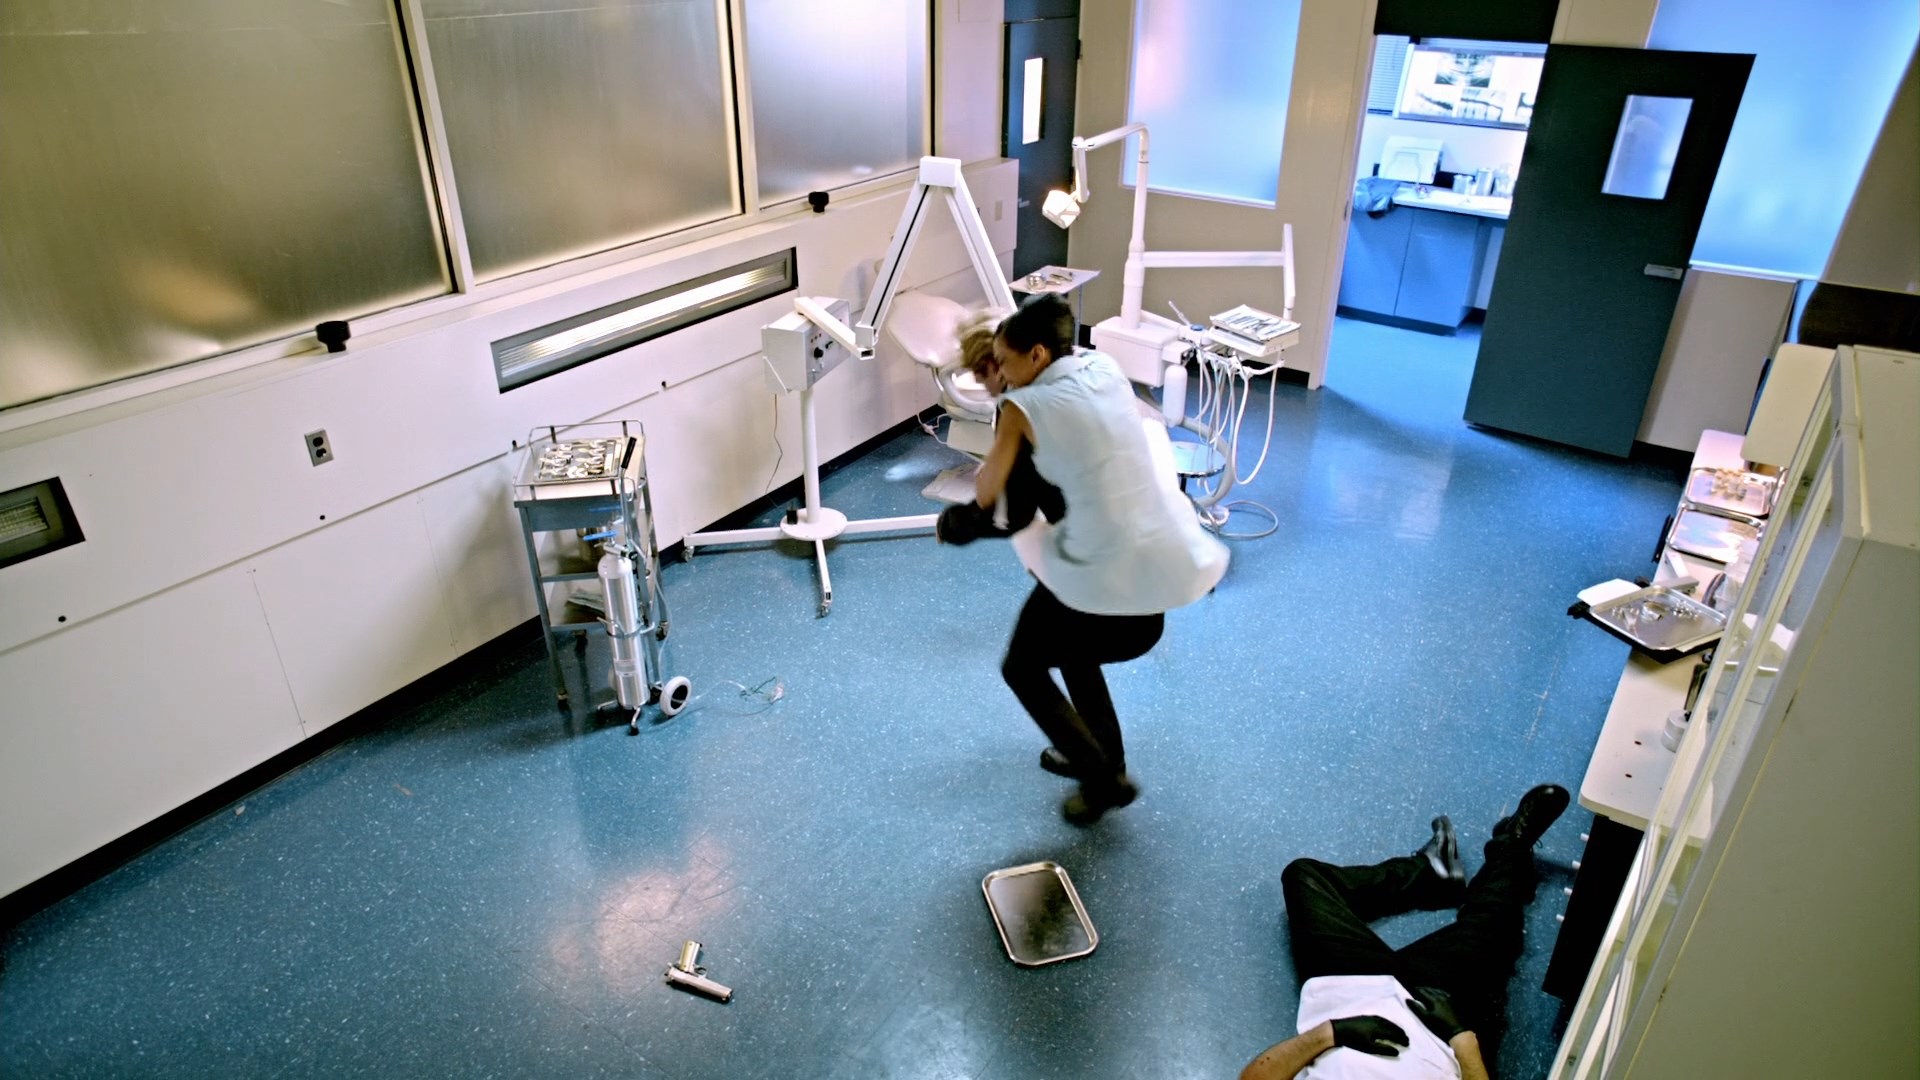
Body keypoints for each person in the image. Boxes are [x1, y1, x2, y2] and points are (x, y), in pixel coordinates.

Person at [937, 293, 1229, 824]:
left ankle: (1103, 780)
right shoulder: (1098, 369)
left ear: (1022, 359)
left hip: (1106, 573)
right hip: (1152, 570)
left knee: (1023, 666)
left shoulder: (1022, 411)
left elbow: (1012, 515)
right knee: (1072, 649)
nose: (984, 383)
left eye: (988, 369)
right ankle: (1103, 758)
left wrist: (958, 525)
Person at [1240, 784, 1572, 1080]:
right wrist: (1461, 1038)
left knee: (1304, 878)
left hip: (1347, 996)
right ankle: (1511, 845)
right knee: (1495, 923)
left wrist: (1331, 1032)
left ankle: (1431, 872)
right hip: (1434, 1024)